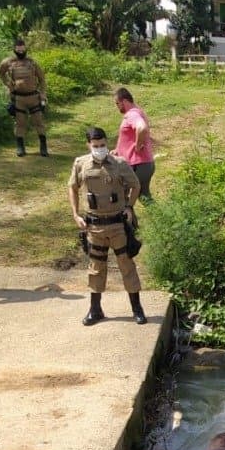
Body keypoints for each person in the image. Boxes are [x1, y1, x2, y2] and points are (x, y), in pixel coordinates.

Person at [68, 127, 148, 325]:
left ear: (107, 143)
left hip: (117, 225)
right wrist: (75, 214)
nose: (100, 149)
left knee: (127, 266)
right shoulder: (81, 164)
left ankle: (137, 309)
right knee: (96, 267)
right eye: (95, 146)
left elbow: (136, 185)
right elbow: (72, 186)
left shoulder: (119, 164)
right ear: (88, 145)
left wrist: (129, 206)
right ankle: (95, 310)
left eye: (102, 145)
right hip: (94, 226)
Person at [0, 38, 48, 157]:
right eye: (18, 49)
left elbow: (42, 80)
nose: (21, 51)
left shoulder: (33, 63)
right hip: (18, 98)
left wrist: (43, 93)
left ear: (25, 48)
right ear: (14, 49)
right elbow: (1, 73)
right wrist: (7, 83)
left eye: (22, 49)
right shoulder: (8, 62)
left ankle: (43, 146)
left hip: (33, 97)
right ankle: (20, 147)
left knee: (38, 122)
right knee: (20, 123)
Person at [111, 87, 155, 202]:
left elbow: (142, 128)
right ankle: (164, 219)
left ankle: (125, 218)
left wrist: (138, 145)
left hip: (138, 165)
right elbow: (129, 136)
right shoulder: (137, 112)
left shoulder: (132, 114)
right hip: (143, 164)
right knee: (143, 197)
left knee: (121, 195)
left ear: (124, 101)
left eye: (117, 103)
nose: (117, 107)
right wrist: (118, 150)